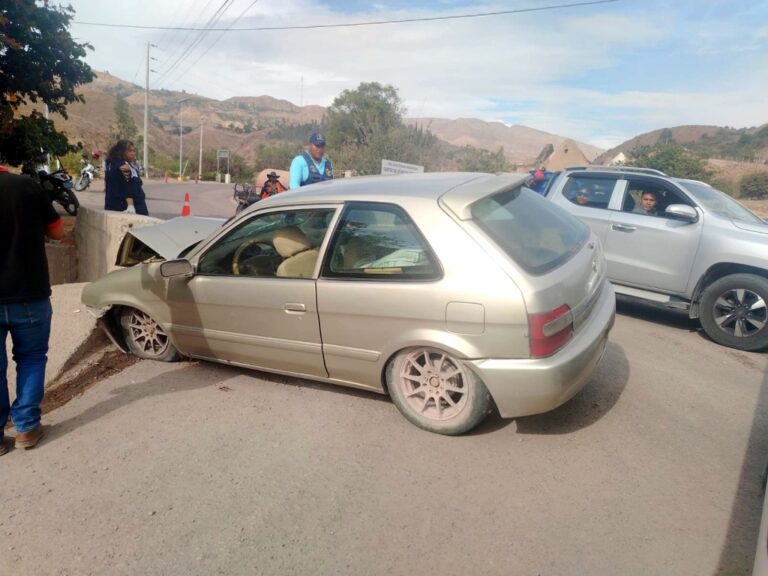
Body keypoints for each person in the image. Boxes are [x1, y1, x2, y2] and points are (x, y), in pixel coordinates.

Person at [0, 165, 65, 454]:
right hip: (29, 293)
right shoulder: (25, 186)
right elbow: (57, 231)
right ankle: (26, 428)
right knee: (32, 358)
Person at [105, 140, 149, 215]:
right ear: (121, 151)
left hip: (115, 205)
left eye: (134, 151)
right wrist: (130, 205)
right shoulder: (123, 166)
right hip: (124, 206)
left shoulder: (121, 164)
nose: (133, 153)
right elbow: (127, 186)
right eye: (129, 151)